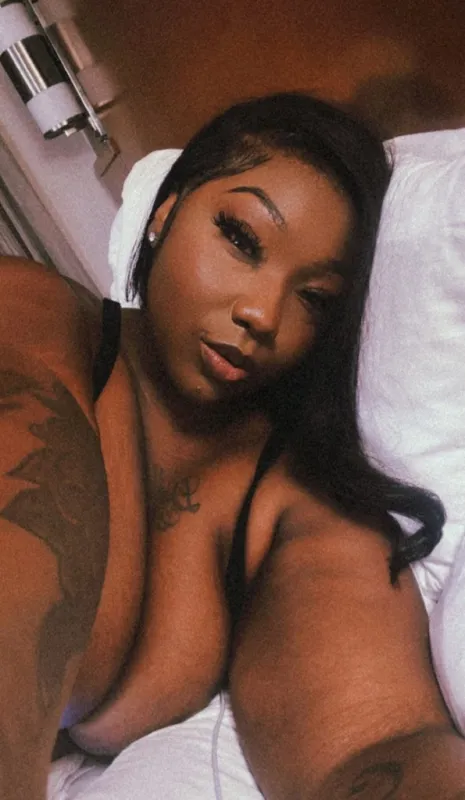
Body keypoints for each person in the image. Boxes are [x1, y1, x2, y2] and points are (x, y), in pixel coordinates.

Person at [0, 91, 461, 800]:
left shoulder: (288, 494)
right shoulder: (31, 317)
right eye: (242, 239)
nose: (262, 313)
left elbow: (376, 744)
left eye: (314, 297)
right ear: (164, 212)